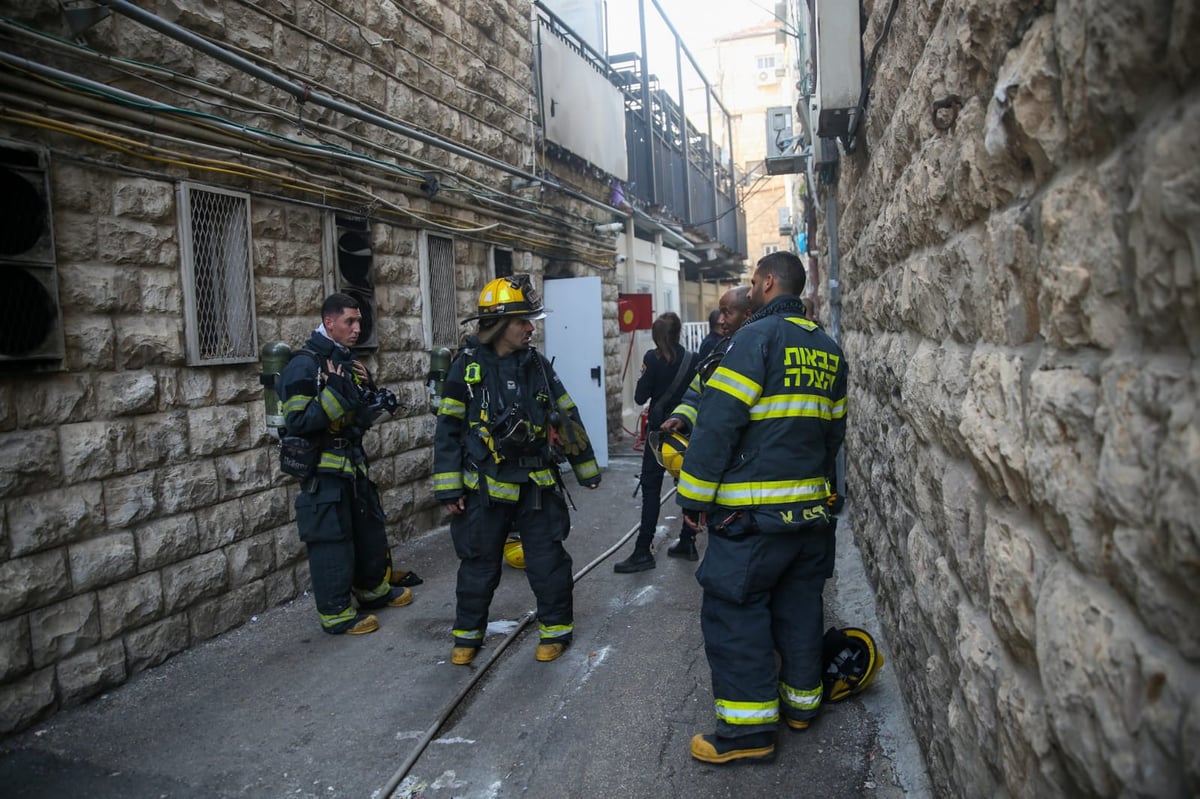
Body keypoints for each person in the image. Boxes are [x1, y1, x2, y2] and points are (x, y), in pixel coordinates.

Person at [676, 251, 846, 764]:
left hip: (753, 519)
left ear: (768, 283)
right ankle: (801, 707)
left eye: (753, 281)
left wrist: (693, 499)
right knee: (799, 607)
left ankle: (748, 732)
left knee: (736, 611)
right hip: (810, 517)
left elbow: (719, 424)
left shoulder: (755, 338)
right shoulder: (829, 349)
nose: (750, 288)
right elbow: (832, 435)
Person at [433, 275, 601, 665]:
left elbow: (566, 415)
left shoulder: (537, 366)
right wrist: (448, 488)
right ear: (498, 326)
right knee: (479, 564)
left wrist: (586, 469)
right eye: (523, 321)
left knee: (548, 561)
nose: (531, 328)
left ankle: (556, 631)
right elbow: (448, 429)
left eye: (531, 320)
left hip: (536, 486)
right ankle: (466, 637)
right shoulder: (467, 368)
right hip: (485, 489)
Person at [278, 293, 415, 635]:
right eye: (349, 322)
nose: (357, 328)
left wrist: (370, 391)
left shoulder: (344, 361)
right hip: (323, 472)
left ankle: (373, 591)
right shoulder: (304, 365)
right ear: (329, 323)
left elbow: (352, 414)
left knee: (368, 531)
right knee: (332, 541)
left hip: (352, 465)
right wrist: (338, 392)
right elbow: (297, 421)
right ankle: (336, 613)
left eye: (359, 321)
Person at [658, 285, 754, 559]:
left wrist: (694, 500)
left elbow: (716, 429)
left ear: (748, 314)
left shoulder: (754, 351)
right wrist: (680, 417)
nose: (720, 320)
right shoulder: (722, 352)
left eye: (727, 312)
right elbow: (696, 396)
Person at [614, 312, 697, 573]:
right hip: (685, 434)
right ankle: (688, 540)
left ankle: (642, 550)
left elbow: (639, 397)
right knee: (688, 487)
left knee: (651, 492)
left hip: (659, 437)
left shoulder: (651, 359)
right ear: (679, 332)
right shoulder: (693, 359)